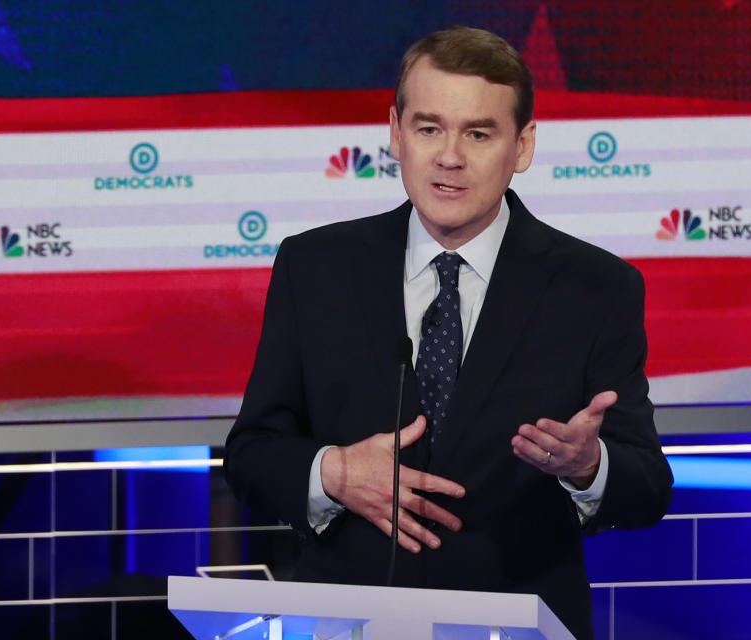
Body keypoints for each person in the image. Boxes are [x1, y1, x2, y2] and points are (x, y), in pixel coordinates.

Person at [224, 26, 672, 640]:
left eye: (479, 133)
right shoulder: (317, 267)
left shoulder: (595, 287)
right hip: (348, 623)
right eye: (428, 128)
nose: (449, 157)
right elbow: (251, 455)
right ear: (395, 134)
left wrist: (586, 464)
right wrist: (332, 474)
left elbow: (648, 488)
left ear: (523, 146)